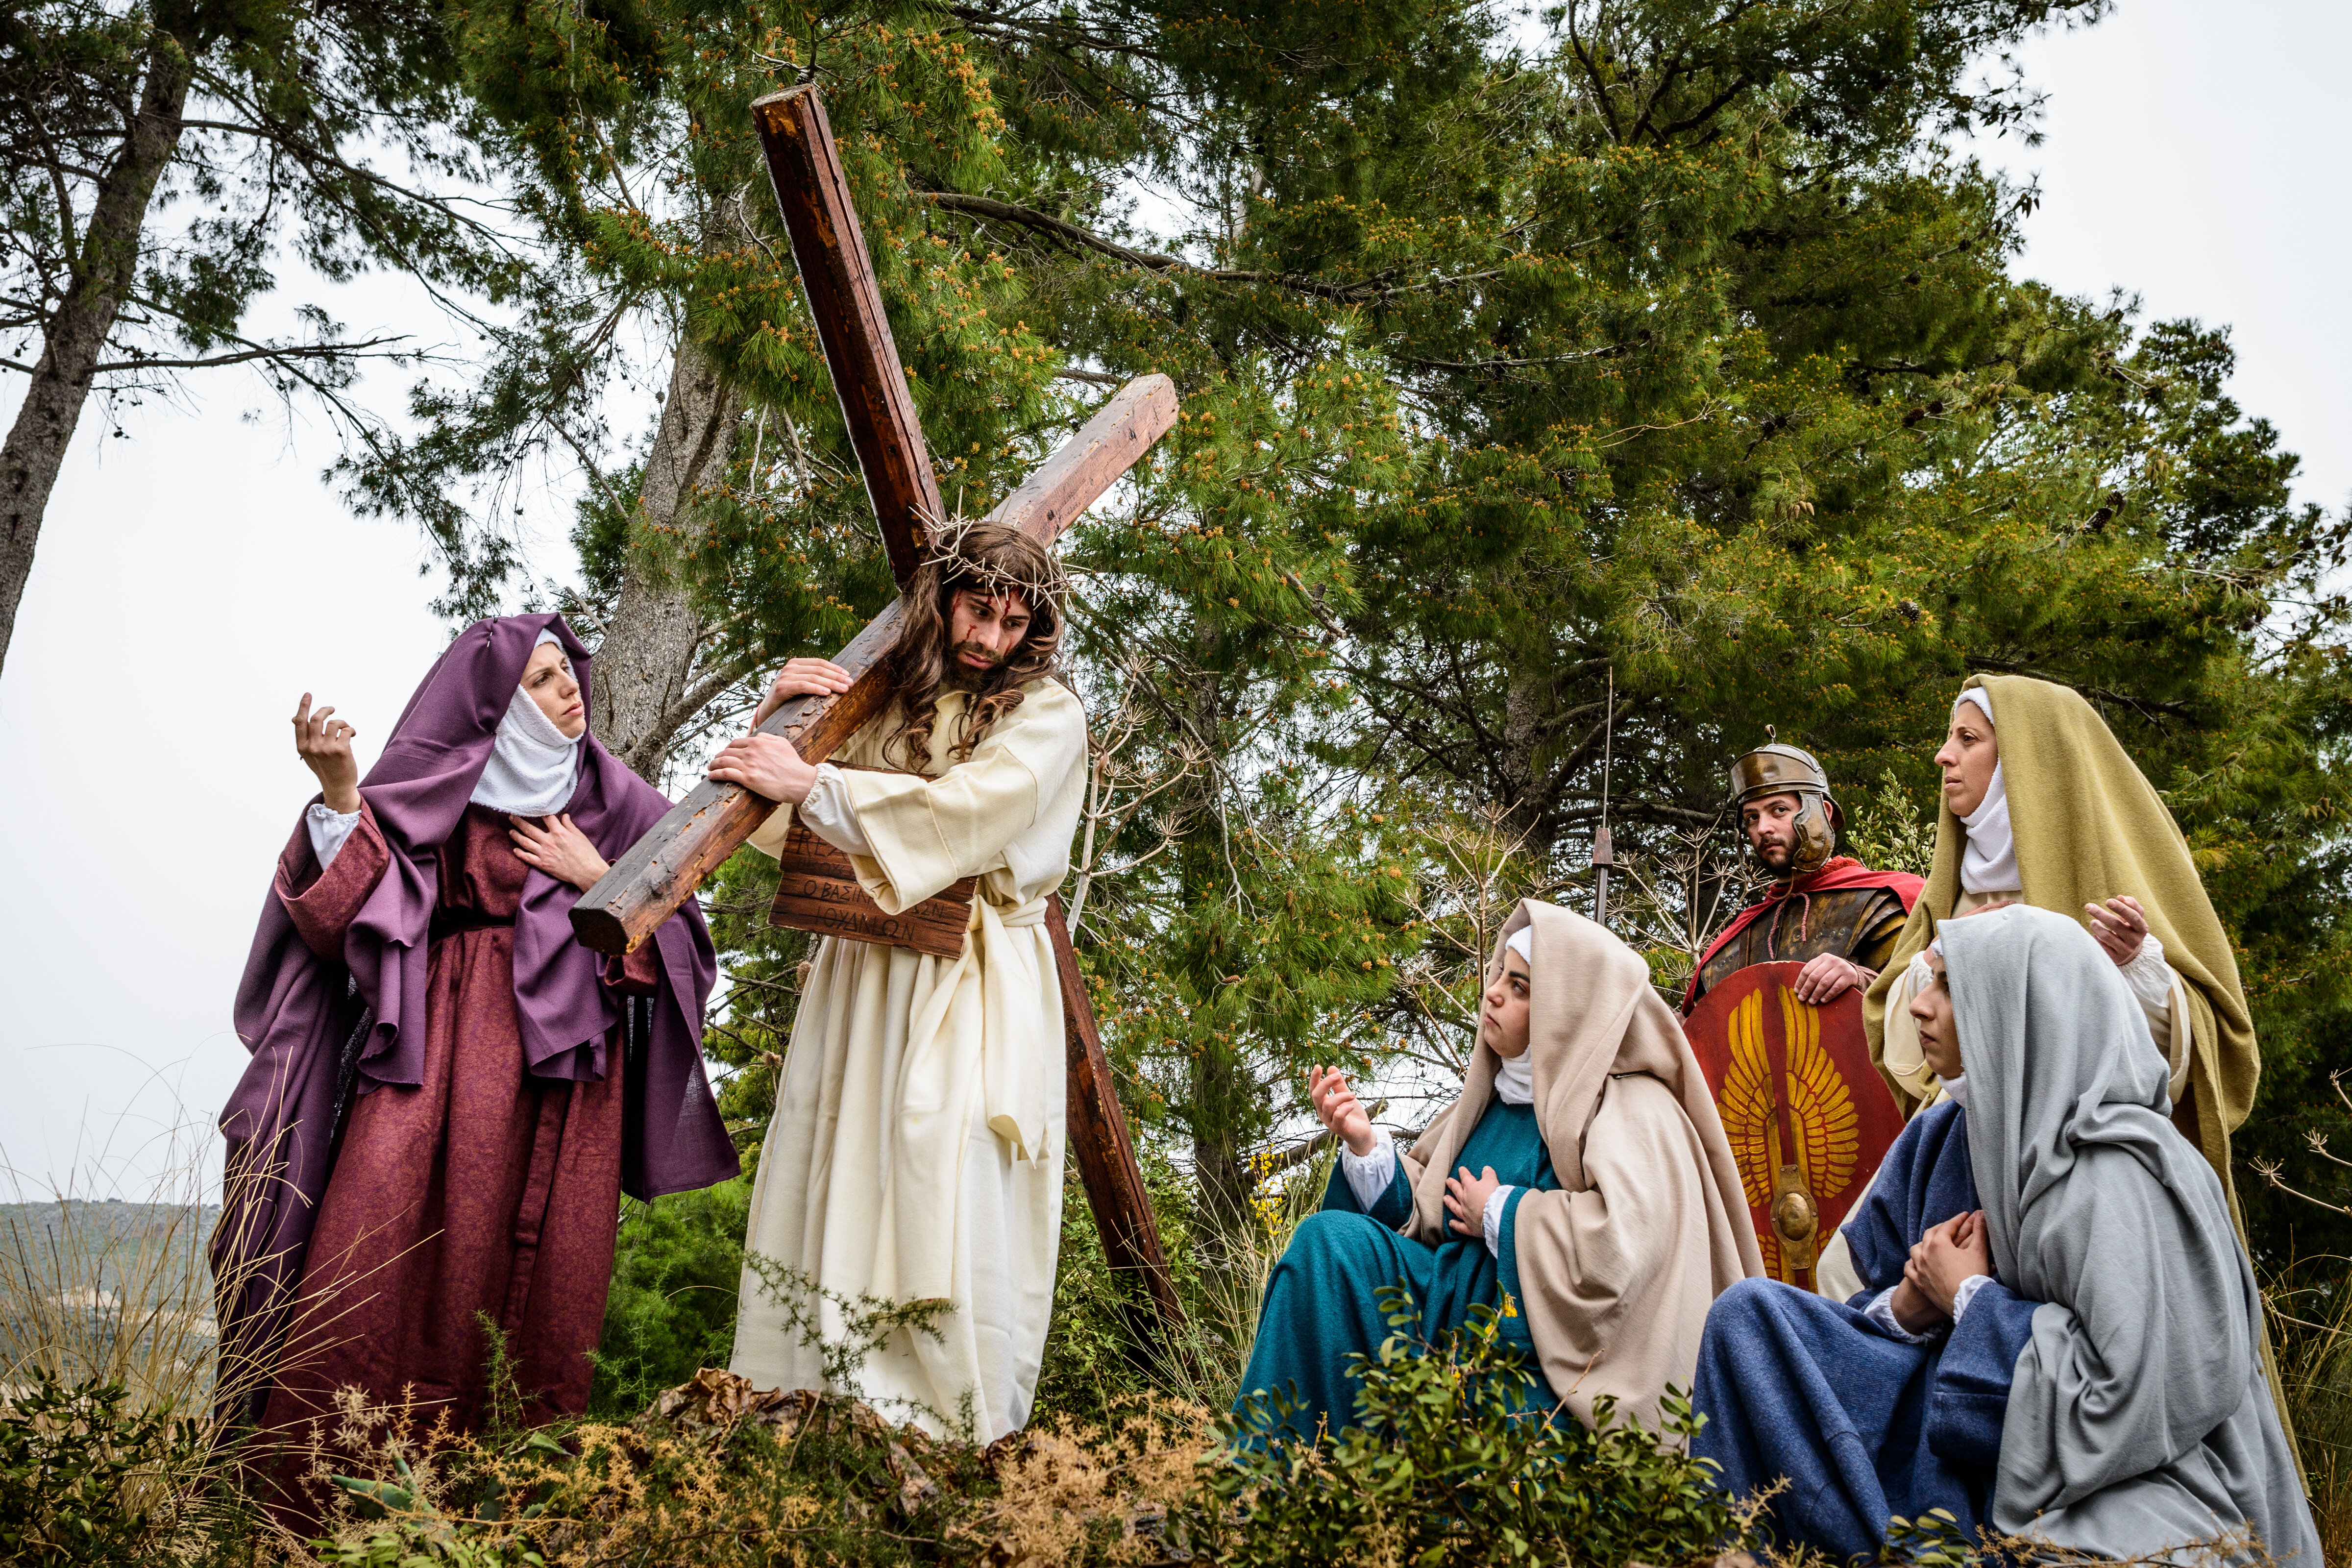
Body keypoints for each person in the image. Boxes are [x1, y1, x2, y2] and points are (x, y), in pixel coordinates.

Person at [213, 616, 735, 1505]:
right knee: (374, 1251)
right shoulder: (444, 791)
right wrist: (340, 792)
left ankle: (498, 1515)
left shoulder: (620, 804)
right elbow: (351, 921)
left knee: (541, 1293)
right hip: (435, 1057)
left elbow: (684, 952)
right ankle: (321, 1506)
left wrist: (598, 876)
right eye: (540, 681)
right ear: (497, 705)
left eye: (566, 670)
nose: (568, 689)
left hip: (569, 1083)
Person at [1691, 906, 2317, 1562]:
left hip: (2114, 1470)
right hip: (1950, 1428)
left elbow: (2137, 1395)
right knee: (1749, 1318)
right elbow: (1868, 1298)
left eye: (1947, 986)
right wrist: (1907, 1308)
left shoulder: (2120, 1169)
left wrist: (1970, 1300)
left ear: (2019, 1007)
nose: (1919, 1006)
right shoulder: (1943, 1136)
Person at [712, 521, 1086, 1442]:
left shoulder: (1048, 716)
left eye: (1012, 622)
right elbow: (783, 829)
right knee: (839, 1164)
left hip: (971, 977)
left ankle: (941, 1428)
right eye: (976, 611)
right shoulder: (888, 700)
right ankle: (807, 1404)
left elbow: (969, 814)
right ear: (942, 600)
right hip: (862, 970)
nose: (989, 638)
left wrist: (816, 787)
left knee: (945, 1172)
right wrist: (778, 722)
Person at [1232, 899, 1764, 1445]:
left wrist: (1504, 1212)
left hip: (1543, 1361)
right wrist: (1366, 1146)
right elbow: (1424, 1217)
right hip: (1444, 1316)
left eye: (1520, 986)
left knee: (1502, 1423)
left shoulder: (1634, 1109)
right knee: (1326, 1248)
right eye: (1499, 975)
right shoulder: (1489, 1100)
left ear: (1567, 1009)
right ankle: (1263, 1473)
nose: (1493, 993)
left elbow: (1623, 1252)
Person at [1863, 676, 2257, 1207]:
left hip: (2087, 1178)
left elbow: (2205, 1052)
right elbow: (1905, 1053)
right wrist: (1939, 962)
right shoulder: (1950, 891)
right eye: (1950, 737)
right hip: (1964, 1167)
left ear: (2028, 758)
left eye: (1967, 739)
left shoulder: (2116, 882)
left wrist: (2138, 968)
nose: (1943, 755)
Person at [1683, 743, 1924, 1012]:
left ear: (1824, 813)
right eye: (1752, 817)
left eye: (1779, 810)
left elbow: (1930, 996)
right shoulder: (1736, 940)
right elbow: (1700, 1029)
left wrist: (1860, 978)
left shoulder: (1883, 902)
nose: (1763, 828)